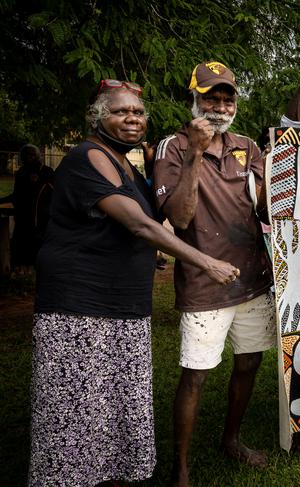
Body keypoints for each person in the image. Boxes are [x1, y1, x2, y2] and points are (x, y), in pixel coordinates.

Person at [30, 80, 240, 487]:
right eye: (120, 112)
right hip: (79, 308)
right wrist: (206, 261)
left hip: (124, 306)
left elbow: (158, 216)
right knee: (77, 414)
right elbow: (140, 224)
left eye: (138, 113)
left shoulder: (126, 161)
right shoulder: (85, 156)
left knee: (116, 409)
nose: (132, 119)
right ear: (97, 118)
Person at [153, 61, 275, 484]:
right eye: (211, 98)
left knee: (249, 363)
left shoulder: (247, 146)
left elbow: (264, 209)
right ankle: (181, 468)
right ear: (195, 100)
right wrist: (196, 153)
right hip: (206, 281)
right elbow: (181, 217)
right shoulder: (172, 146)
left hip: (252, 278)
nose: (220, 106)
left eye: (227, 98)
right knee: (196, 374)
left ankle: (231, 439)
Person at [0, 144, 54, 272]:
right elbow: (16, 195)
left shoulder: (47, 172)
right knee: (20, 243)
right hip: (23, 216)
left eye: (32, 155)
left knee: (38, 246)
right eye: (27, 155)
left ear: (37, 156)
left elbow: (52, 193)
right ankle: (19, 269)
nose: (29, 158)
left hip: (40, 217)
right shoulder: (21, 173)